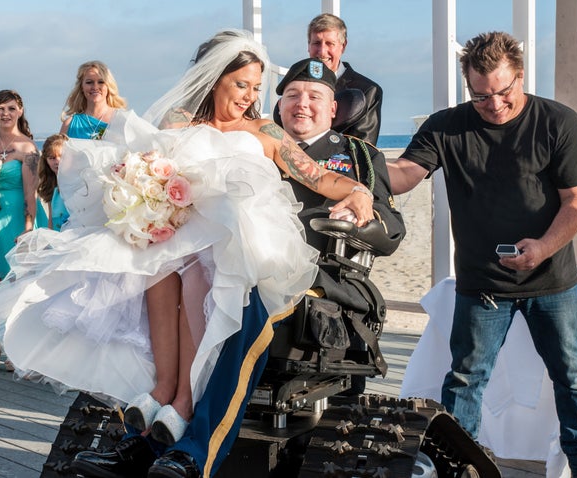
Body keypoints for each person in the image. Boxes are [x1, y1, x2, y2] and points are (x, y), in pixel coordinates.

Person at [63, 29, 376, 478]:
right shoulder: (178, 122)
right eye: (240, 85)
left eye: (255, 87)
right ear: (213, 79)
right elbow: (147, 174)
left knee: (230, 315)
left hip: (247, 255)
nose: (250, 97)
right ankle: (146, 434)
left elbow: (320, 178)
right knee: (153, 281)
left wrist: (359, 190)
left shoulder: (264, 131)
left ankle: (193, 452)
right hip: (182, 248)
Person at [386, 31, 577, 477]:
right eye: (480, 97)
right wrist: (353, 160)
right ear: (468, 86)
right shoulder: (446, 126)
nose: (494, 105)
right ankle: (456, 469)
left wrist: (542, 248)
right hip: (482, 284)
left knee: (573, 381)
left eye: (503, 91)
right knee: (464, 381)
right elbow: (404, 174)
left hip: (552, 281)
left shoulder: (559, 122)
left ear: (520, 75)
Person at [276, 57, 404, 250]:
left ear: (333, 109)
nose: (302, 104)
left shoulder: (360, 156)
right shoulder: (256, 150)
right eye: (293, 95)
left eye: (314, 97)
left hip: (329, 273)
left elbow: (391, 226)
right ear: (279, 106)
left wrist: (359, 221)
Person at [0, 90, 44, 373]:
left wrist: (28, 228)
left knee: (16, 284)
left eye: (11, 108)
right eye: (0, 108)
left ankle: (14, 344)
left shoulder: (28, 149)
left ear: (20, 111)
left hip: (16, 219)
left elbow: (31, 194)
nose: (5, 113)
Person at [307, 13, 383, 145]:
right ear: (308, 46)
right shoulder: (295, 86)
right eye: (317, 43)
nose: (322, 51)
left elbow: (362, 149)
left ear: (343, 46)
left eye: (330, 44)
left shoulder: (367, 90)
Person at [60, 60, 127, 139]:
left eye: (101, 82)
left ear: (108, 86)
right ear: (82, 87)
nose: (95, 87)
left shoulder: (122, 120)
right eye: (89, 82)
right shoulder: (69, 125)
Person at [37, 133, 69, 231]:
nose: (57, 162)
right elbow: (51, 220)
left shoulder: (76, 184)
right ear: (46, 161)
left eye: (61, 156)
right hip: (57, 238)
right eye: (52, 158)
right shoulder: (52, 185)